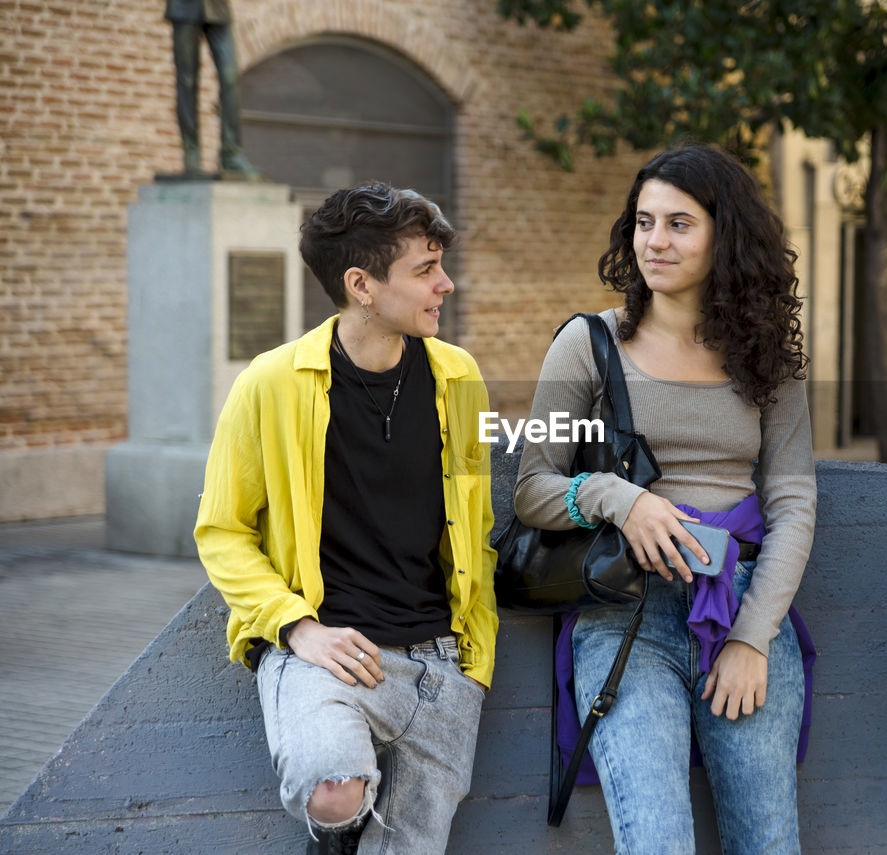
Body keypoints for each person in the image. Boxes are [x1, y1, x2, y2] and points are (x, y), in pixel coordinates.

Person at [514, 144, 817, 855]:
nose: (655, 240)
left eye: (679, 223)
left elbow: (795, 498)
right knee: (656, 843)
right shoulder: (589, 344)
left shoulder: (771, 355)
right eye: (645, 222)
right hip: (626, 614)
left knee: (767, 844)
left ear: (725, 235)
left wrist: (752, 636)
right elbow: (533, 486)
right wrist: (619, 498)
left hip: (742, 605)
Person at [194, 182, 497, 855]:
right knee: (334, 786)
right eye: (425, 270)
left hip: (441, 664)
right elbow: (222, 529)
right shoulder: (269, 384)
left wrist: (475, 661)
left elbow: (474, 527)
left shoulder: (459, 378)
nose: (445, 284)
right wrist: (297, 627)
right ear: (361, 283)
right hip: (326, 653)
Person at [165, 0, 259, 177]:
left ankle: (232, 154)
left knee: (230, 77)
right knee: (187, 80)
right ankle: (191, 154)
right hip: (183, 8)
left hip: (218, 8)